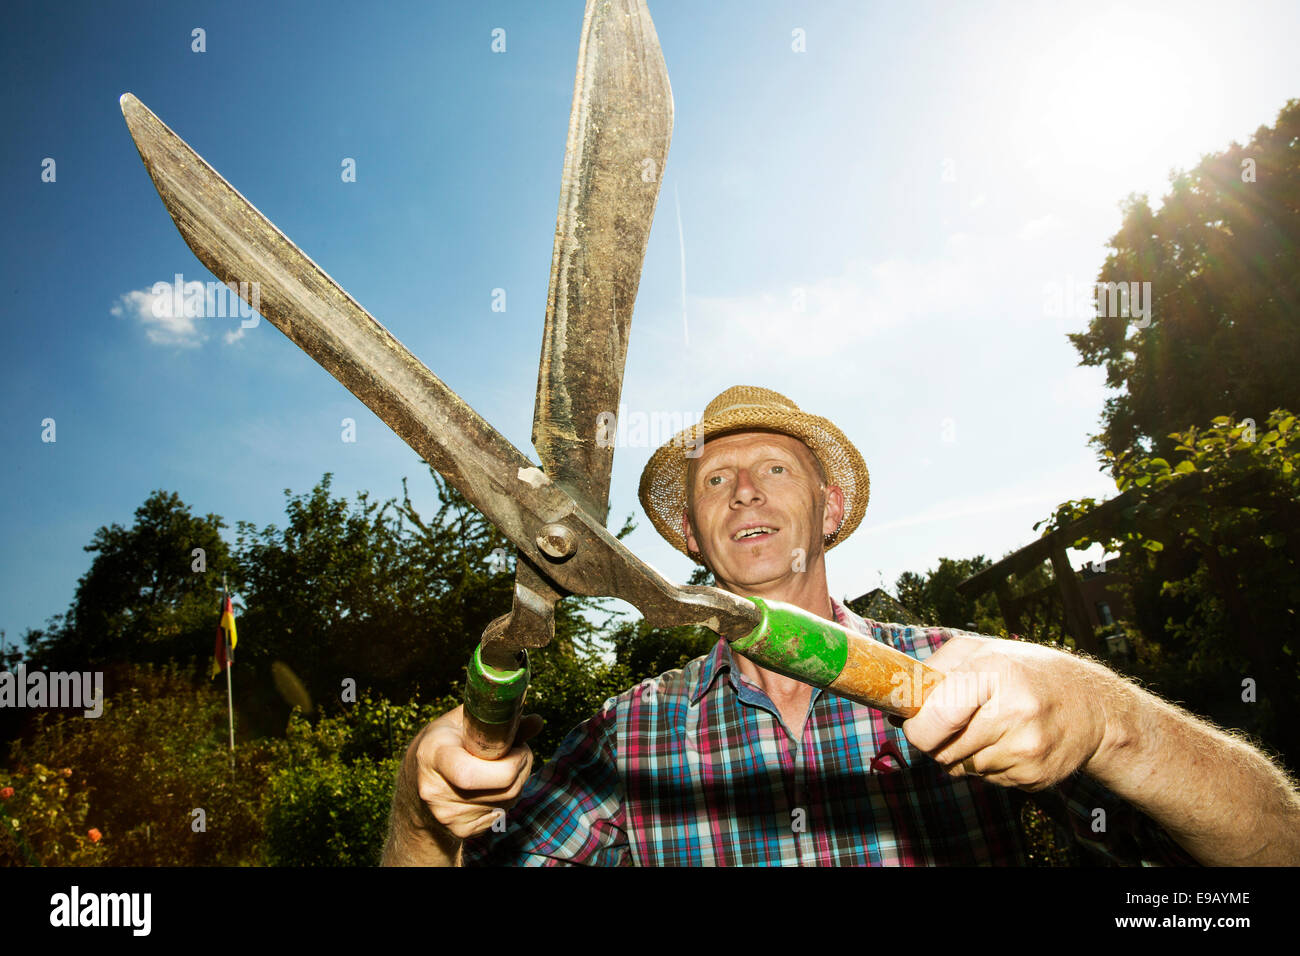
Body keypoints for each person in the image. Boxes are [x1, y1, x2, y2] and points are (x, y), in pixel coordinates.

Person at [382, 385, 1300, 866]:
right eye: (714, 480)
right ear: (694, 535)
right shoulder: (626, 740)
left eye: (774, 470)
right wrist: (423, 819)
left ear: (826, 512)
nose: (742, 487)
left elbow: (1274, 847)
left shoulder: (968, 683)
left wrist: (1104, 716)